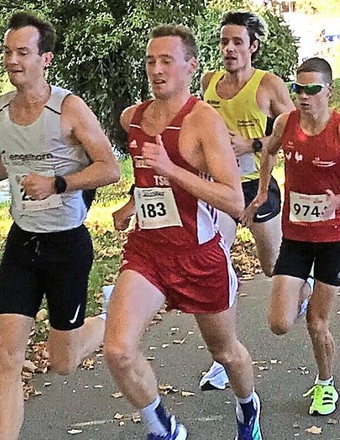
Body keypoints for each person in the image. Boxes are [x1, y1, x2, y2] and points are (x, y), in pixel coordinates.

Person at [0, 12, 120, 440]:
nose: (12, 60)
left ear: (45, 59)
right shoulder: (1, 108)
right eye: (8, 52)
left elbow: (109, 168)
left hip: (67, 246)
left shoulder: (67, 108)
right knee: (7, 358)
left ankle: (108, 321)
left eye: (23, 52)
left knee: (61, 361)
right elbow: (9, 159)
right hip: (22, 245)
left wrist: (58, 183)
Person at [103, 25, 262, 440]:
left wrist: (172, 169)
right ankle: (163, 427)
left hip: (199, 255)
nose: (157, 70)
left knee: (225, 353)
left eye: (167, 61)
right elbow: (149, 182)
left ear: (191, 67)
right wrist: (130, 205)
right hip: (148, 252)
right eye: (151, 61)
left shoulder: (203, 122)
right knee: (118, 350)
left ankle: (248, 408)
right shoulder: (132, 119)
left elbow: (232, 199)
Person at [250, 57, 340, 416]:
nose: (304, 96)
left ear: (328, 90)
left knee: (316, 323)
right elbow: (268, 152)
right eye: (298, 89)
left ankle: (325, 384)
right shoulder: (285, 122)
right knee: (278, 324)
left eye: (312, 89)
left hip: (333, 238)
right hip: (295, 234)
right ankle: (303, 290)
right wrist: (263, 193)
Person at [199, 10, 311, 392]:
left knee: (272, 266)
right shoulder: (208, 82)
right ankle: (223, 357)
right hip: (219, 188)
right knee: (215, 262)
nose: (228, 49)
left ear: (253, 47)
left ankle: (304, 286)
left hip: (256, 186)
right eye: (224, 42)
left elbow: (297, 129)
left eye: (237, 42)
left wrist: (251, 144)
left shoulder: (268, 85)